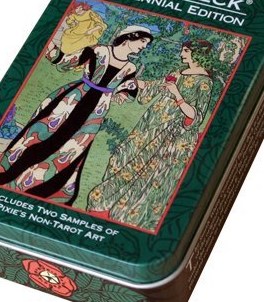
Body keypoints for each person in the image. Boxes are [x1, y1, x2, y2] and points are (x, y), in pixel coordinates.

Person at [0, 26, 153, 206]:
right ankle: (6, 176)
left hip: (96, 112)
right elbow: (66, 61)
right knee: (41, 136)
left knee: (72, 150)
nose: (144, 46)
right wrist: (49, 45)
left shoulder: (130, 67)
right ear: (130, 37)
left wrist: (122, 95)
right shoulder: (99, 50)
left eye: (146, 43)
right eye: (143, 41)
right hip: (71, 100)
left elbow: (129, 89)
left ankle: (45, 191)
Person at [87, 40, 213, 231]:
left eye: (186, 51)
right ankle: (105, 202)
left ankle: (127, 216)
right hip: (149, 125)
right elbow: (155, 86)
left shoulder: (205, 82)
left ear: (197, 54)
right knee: (122, 156)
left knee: (149, 175)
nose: (181, 55)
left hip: (172, 136)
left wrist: (177, 95)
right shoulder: (179, 72)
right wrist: (134, 82)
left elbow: (196, 116)